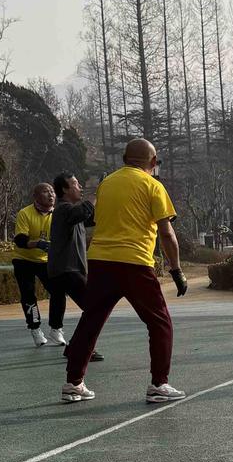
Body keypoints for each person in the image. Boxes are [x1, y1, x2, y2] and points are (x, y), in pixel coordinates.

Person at [62, 138, 188, 404]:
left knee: (91, 321)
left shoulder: (106, 184)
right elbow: (166, 233)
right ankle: (159, 384)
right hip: (134, 262)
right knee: (159, 322)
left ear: (124, 159)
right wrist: (176, 270)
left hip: (100, 262)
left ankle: (73, 384)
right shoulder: (153, 185)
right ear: (152, 162)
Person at [46, 173, 102, 361]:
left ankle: (76, 347)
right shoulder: (64, 209)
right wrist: (95, 194)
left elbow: (91, 216)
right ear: (64, 189)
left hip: (65, 269)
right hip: (67, 269)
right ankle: (79, 348)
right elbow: (84, 212)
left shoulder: (70, 212)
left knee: (92, 308)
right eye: (76, 184)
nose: (80, 187)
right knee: (94, 308)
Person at [13, 181, 57, 348]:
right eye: (46, 191)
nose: (51, 194)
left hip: (45, 261)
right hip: (23, 260)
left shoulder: (57, 214)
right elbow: (20, 240)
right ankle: (35, 328)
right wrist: (37, 243)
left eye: (52, 191)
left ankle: (56, 328)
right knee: (28, 295)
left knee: (57, 291)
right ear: (36, 196)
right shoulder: (25, 213)